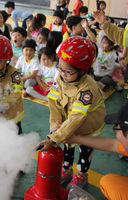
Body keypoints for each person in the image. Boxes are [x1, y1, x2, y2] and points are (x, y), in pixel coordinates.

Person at [39, 36, 106, 188]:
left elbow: (77, 117)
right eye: (60, 68)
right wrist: (55, 129)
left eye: (67, 71)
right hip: (67, 124)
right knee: (67, 146)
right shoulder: (61, 76)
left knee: (85, 152)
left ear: (83, 70)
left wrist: (55, 138)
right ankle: (66, 169)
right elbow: (53, 101)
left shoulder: (87, 89)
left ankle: (82, 176)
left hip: (88, 128)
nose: (62, 74)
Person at [65, 98, 128, 199]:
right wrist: (76, 138)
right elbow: (111, 144)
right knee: (109, 182)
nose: (116, 133)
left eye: (117, 129)